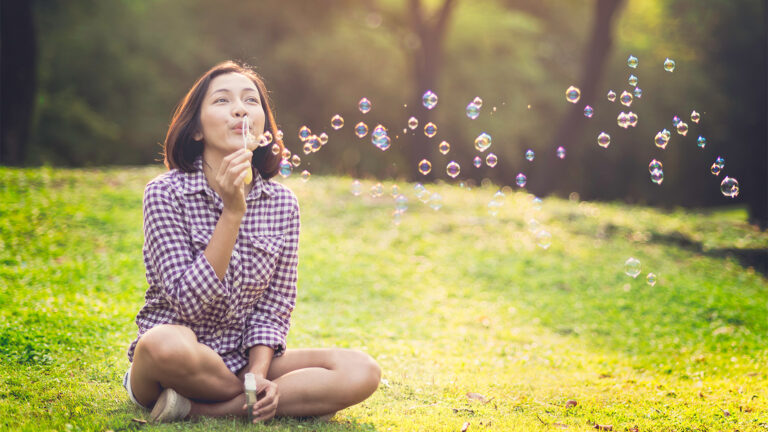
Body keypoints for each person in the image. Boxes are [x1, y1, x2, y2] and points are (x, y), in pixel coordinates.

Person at [124, 60, 381, 423]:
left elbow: (274, 307)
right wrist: (232, 214)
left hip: (244, 359)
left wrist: (258, 374)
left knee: (361, 369)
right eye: (222, 101)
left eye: (250, 100)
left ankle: (203, 409)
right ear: (195, 129)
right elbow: (186, 303)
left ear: (262, 127)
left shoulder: (282, 203)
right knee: (161, 343)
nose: (240, 108)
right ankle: (277, 399)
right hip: (180, 355)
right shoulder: (165, 193)